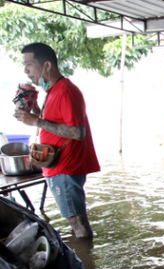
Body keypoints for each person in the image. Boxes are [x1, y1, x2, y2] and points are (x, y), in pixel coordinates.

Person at [13, 43, 100, 238]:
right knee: (76, 223)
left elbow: (77, 132)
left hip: (65, 169)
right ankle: (85, 260)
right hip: (57, 167)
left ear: (47, 65)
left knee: (79, 226)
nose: (26, 70)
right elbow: (56, 123)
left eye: (29, 64)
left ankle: (85, 264)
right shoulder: (53, 91)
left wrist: (36, 120)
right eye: (24, 65)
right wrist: (35, 110)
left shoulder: (65, 91)